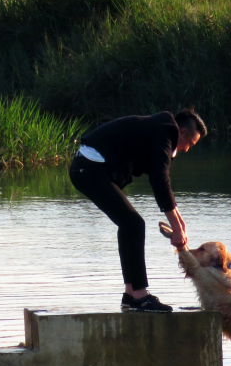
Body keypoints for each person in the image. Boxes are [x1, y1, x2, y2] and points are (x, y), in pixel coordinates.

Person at [69, 109, 207, 312]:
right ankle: (140, 296)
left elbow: (163, 182)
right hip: (89, 169)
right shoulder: (164, 133)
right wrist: (176, 228)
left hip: (89, 169)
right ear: (182, 131)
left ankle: (131, 295)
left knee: (130, 225)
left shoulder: (160, 130)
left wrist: (180, 223)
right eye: (190, 144)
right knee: (133, 224)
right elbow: (160, 182)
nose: (187, 149)